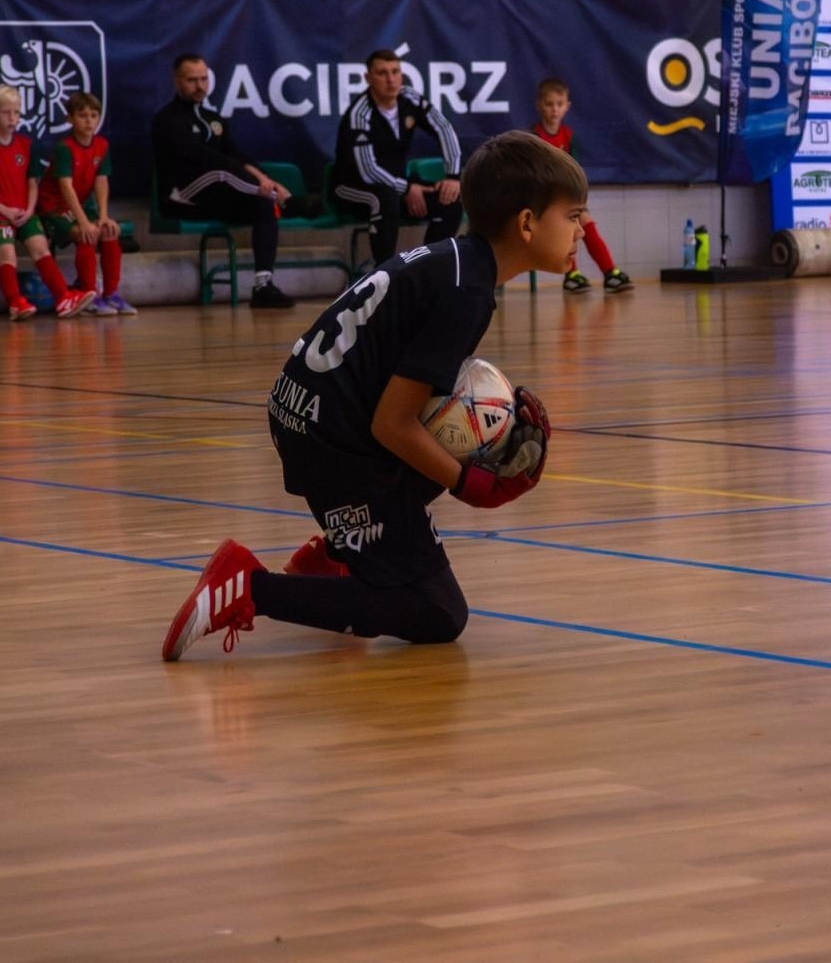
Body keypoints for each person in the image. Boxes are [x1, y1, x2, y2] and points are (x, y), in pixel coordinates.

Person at [161, 130, 587, 661]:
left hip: (307, 416)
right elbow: (394, 425)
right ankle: (248, 586)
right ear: (527, 223)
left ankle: (340, 555)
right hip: (333, 441)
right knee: (436, 613)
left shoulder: (456, 261)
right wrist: (467, 484)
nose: (583, 230)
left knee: (466, 446)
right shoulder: (467, 293)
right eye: (573, 216)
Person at [151, 53, 295, 309]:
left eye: (204, 79)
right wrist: (266, 187)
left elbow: (236, 154)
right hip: (181, 196)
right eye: (192, 80)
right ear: (177, 82)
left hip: (215, 197)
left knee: (261, 205)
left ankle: (263, 285)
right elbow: (203, 157)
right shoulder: (168, 119)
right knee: (223, 172)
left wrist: (267, 180)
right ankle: (290, 204)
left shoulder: (213, 118)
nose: (199, 86)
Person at [0, 85, 98, 322]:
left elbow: (33, 183)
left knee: (41, 248)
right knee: (7, 254)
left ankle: (64, 297)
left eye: (16, 112)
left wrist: (29, 210)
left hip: (24, 212)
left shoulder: (26, 145)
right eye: (6, 112)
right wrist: (4, 210)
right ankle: (15, 303)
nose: (12, 118)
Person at [330, 49, 464, 266]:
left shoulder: (409, 98)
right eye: (382, 73)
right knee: (385, 198)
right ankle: (384, 277)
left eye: (395, 72)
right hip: (350, 188)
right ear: (368, 78)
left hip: (397, 185)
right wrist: (407, 188)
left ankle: (429, 268)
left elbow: (444, 128)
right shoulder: (359, 114)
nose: (391, 80)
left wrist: (452, 176)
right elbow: (368, 171)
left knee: (450, 199)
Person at [531, 76, 633, 294]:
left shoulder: (569, 136)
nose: (554, 110)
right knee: (565, 225)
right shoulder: (533, 137)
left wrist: (578, 200)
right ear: (539, 105)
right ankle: (572, 274)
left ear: (567, 106)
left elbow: (575, 172)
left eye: (559, 104)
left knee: (585, 220)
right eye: (549, 104)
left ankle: (609, 272)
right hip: (544, 199)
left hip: (567, 196)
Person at [40, 92, 135, 315]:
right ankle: (88, 293)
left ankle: (110, 294)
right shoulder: (65, 148)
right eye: (82, 116)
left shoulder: (102, 145)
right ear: (70, 119)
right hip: (54, 207)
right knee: (88, 234)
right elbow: (66, 187)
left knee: (109, 231)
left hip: (80, 206)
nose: (89, 121)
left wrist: (103, 215)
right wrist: (83, 222)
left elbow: (101, 182)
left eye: (93, 115)